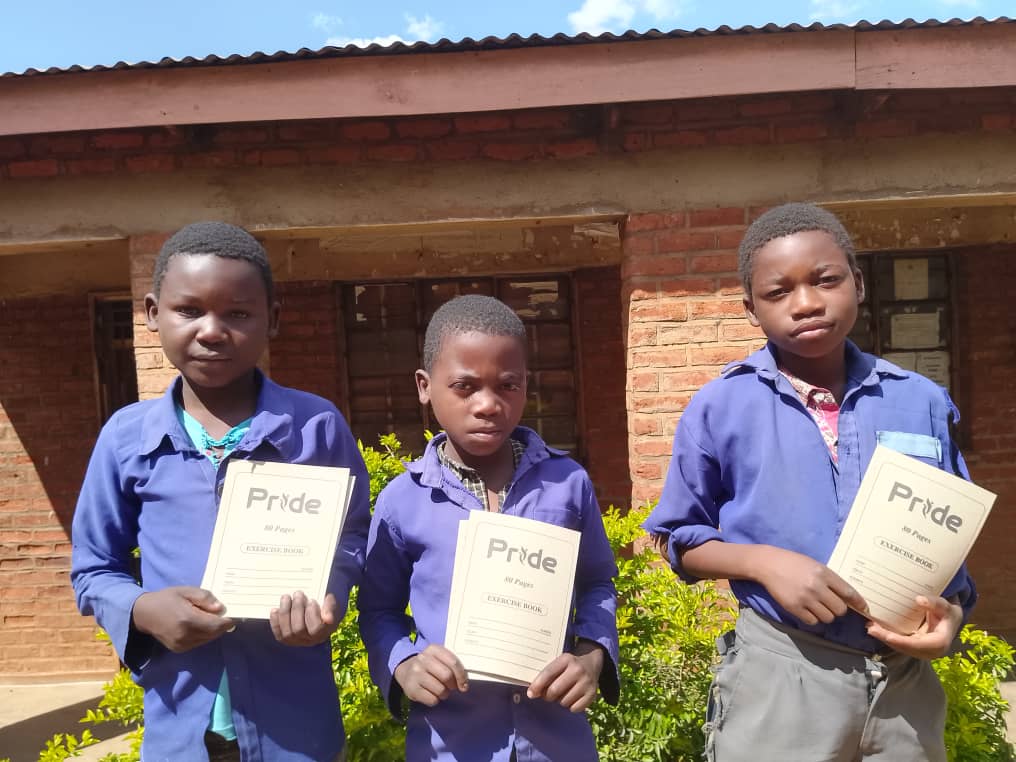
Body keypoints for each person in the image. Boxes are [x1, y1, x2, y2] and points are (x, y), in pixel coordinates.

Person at [644, 203, 976, 762]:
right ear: (751, 309)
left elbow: (949, 534)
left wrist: (952, 619)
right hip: (783, 674)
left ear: (859, 282)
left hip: (904, 689)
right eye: (779, 292)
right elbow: (680, 539)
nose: (807, 303)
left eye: (826, 280)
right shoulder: (722, 406)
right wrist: (766, 563)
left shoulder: (918, 400)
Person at [71, 222, 371, 761]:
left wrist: (330, 593)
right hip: (181, 729)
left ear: (271, 319)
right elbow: (93, 568)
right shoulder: (126, 438)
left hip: (295, 730)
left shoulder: (315, 427)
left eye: (238, 313)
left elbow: (351, 537)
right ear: (151, 313)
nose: (212, 331)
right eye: (189, 310)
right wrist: (141, 609)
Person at [358, 294, 619, 762]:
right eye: (464, 386)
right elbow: (378, 610)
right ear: (424, 386)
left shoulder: (566, 483)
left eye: (507, 386)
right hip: (450, 744)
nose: (488, 405)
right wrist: (403, 663)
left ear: (525, 386)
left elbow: (598, 581)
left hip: (556, 741)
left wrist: (592, 654)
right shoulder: (404, 500)